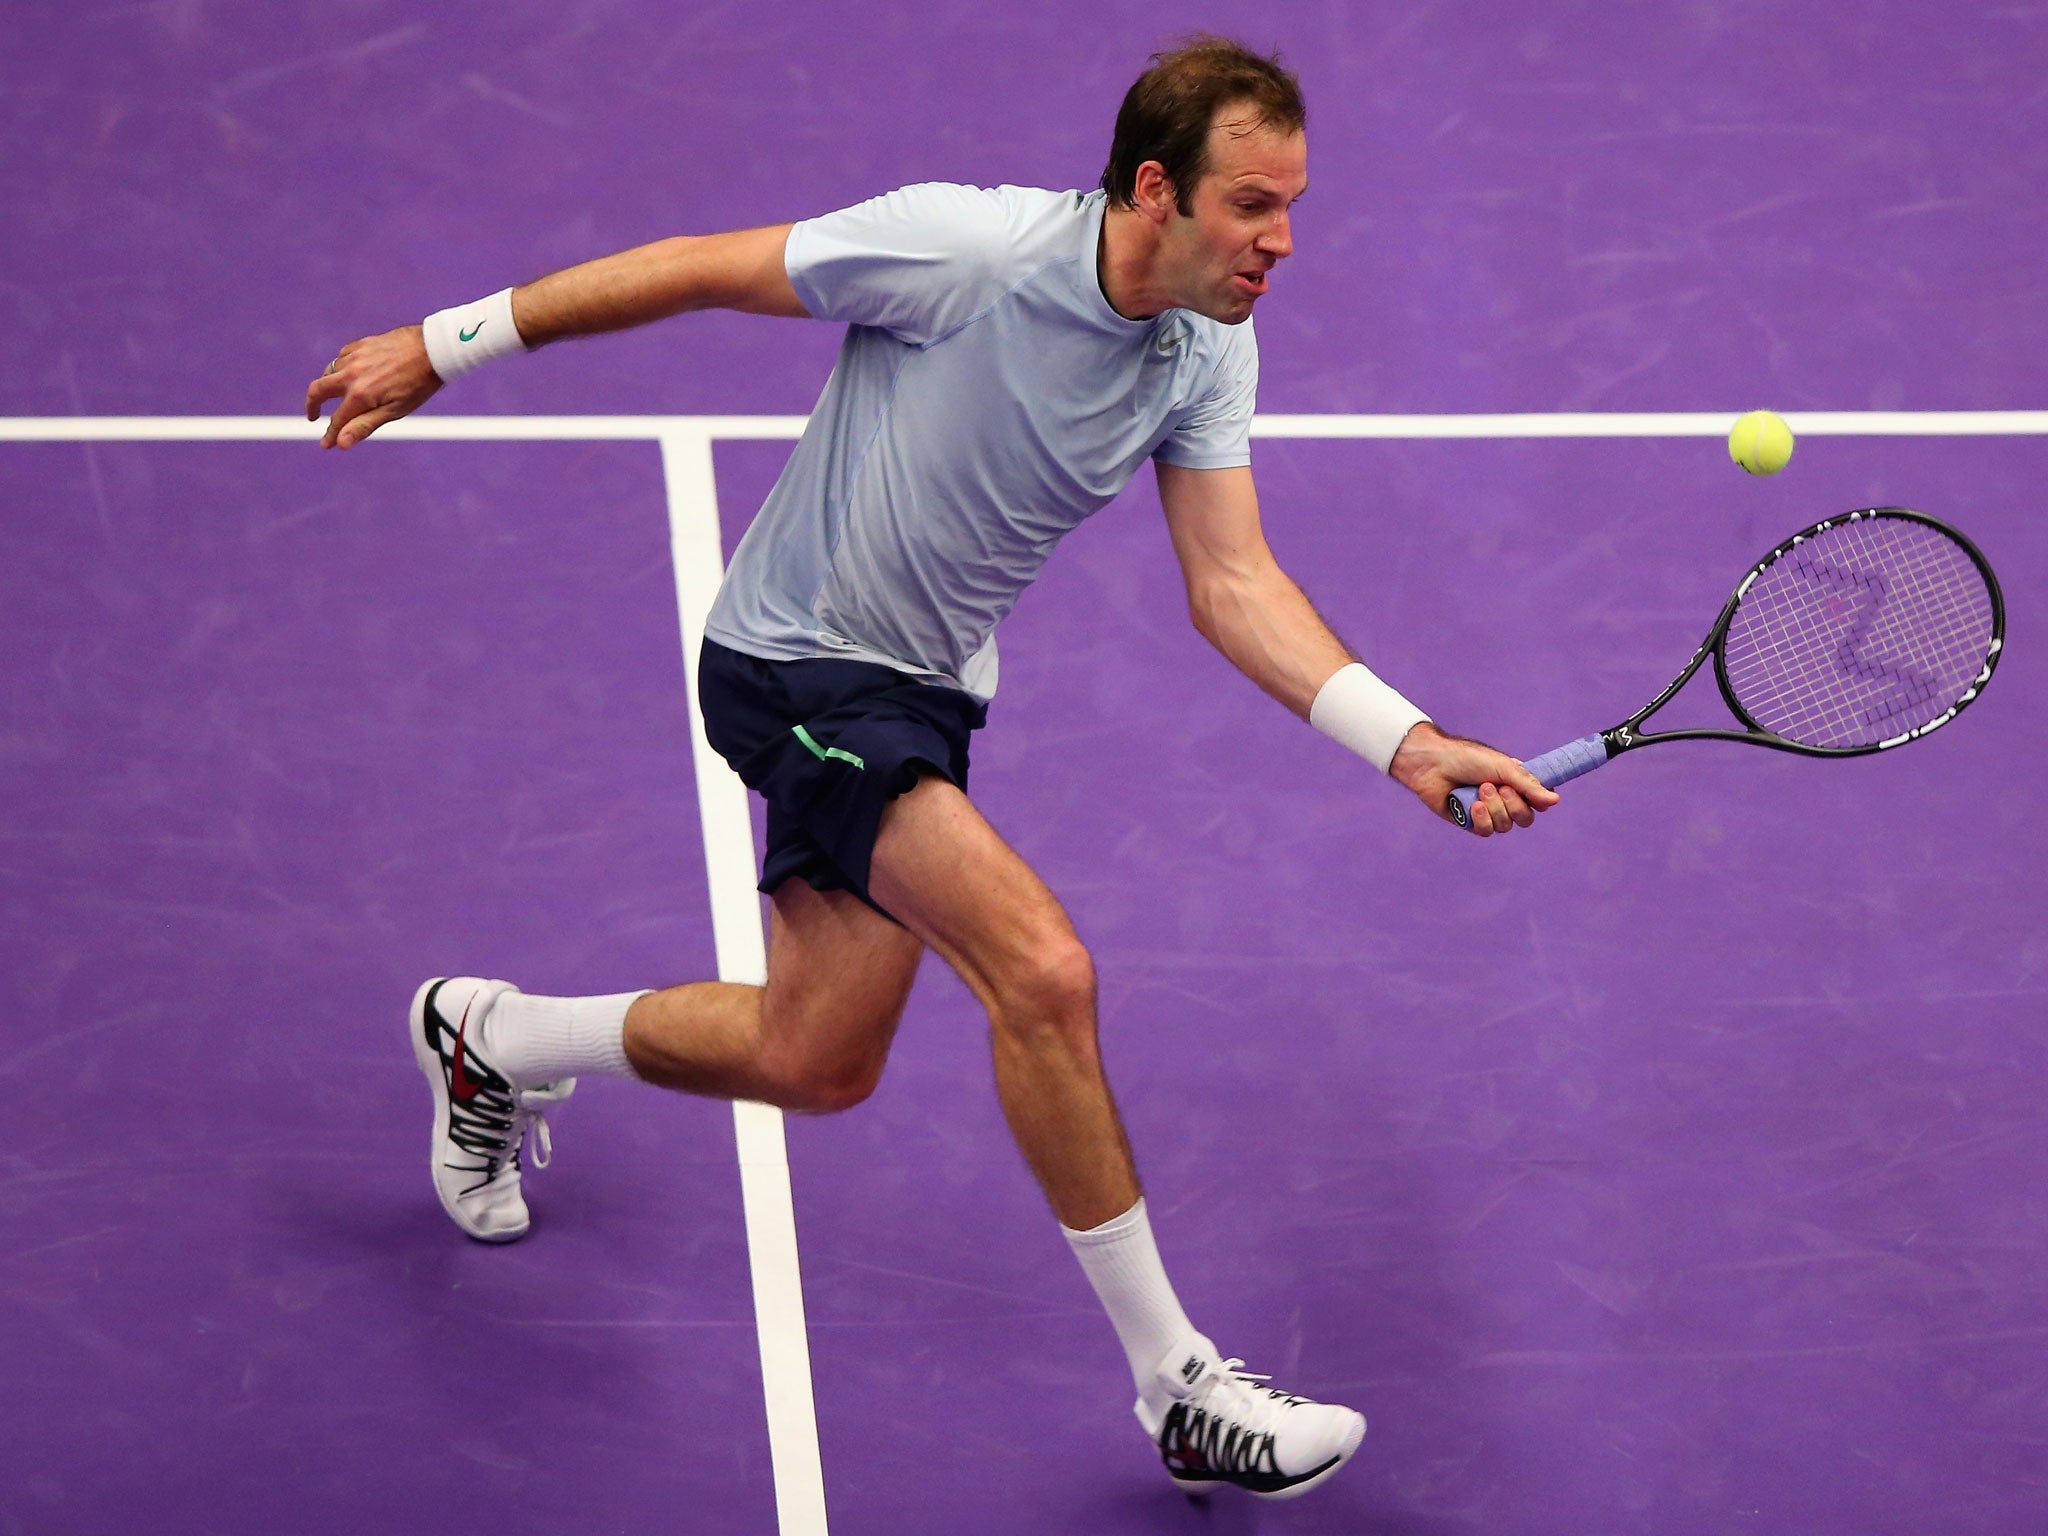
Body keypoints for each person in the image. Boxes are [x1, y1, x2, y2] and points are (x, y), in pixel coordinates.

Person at [307, 35, 1556, 1502]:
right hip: (795, 666)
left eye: (1291, 206)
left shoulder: (1209, 347)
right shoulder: (964, 249)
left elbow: (1231, 583)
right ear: (1155, 189)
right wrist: (447, 345)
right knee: (1043, 970)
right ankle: (1180, 1385)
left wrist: (1401, 741)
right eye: (1251, 207)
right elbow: (711, 265)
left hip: (926, 697)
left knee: (813, 1059)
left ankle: (493, 1041)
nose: (1281, 242)